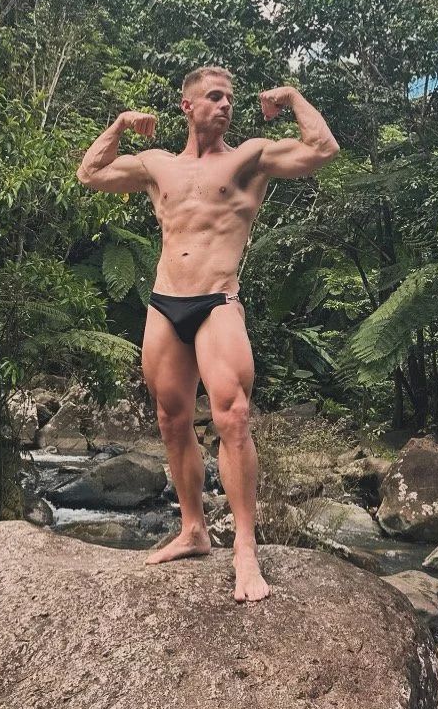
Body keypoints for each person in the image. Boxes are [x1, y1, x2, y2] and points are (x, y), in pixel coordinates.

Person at [76, 67, 339, 602]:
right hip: (165, 302)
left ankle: (245, 547)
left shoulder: (250, 158)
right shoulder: (158, 165)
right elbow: (90, 172)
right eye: (214, 97)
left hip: (217, 300)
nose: (225, 106)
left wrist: (292, 97)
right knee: (171, 420)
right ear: (187, 106)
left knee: (233, 415)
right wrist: (121, 124)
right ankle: (193, 529)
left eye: (230, 99)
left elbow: (322, 149)